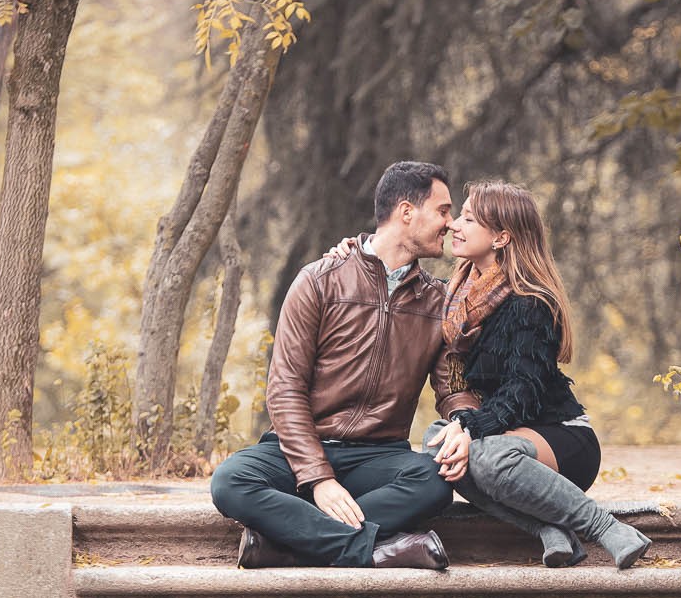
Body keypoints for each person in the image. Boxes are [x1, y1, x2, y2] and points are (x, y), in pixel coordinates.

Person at [210, 161, 477, 569]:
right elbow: (285, 389)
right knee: (230, 481)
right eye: (443, 210)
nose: (450, 222)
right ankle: (376, 551)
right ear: (407, 212)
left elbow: (453, 388)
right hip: (300, 449)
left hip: (378, 457)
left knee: (434, 482)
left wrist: (463, 422)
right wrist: (318, 478)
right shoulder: (319, 280)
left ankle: (286, 546)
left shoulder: (439, 301)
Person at [425, 181, 651, 569]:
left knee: (490, 457)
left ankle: (607, 528)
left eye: (469, 219)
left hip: (561, 438)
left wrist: (468, 428)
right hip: (505, 434)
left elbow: (522, 391)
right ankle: (548, 528)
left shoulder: (530, 303)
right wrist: (353, 250)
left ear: (501, 237)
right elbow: (396, 275)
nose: (454, 226)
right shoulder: (458, 298)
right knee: (436, 443)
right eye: (458, 216)